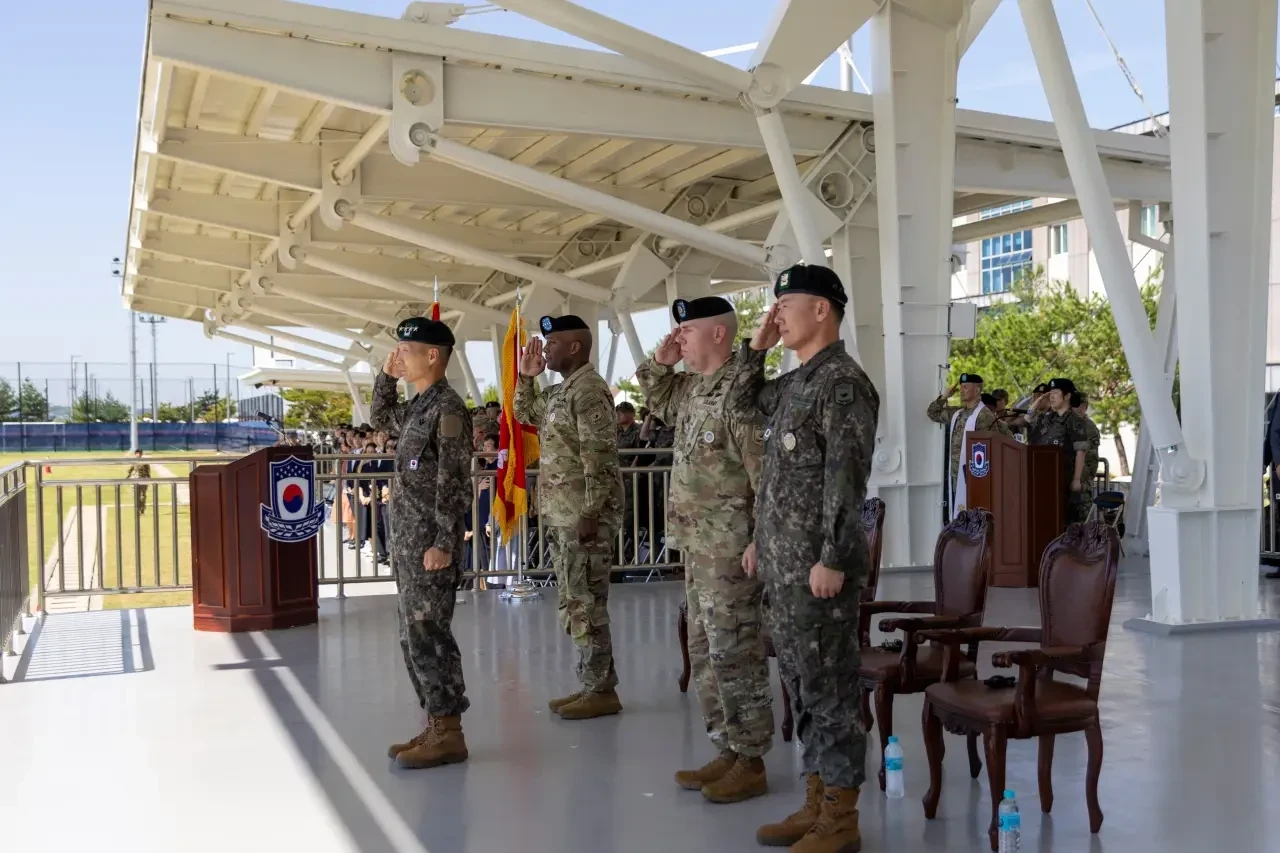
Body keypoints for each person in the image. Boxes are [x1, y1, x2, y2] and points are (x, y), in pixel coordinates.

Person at [729, 264, 879, 852]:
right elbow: (743, 406)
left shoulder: (842, 384)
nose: (777, 314)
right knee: (801, 686)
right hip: (784, 569)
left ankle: (841, 817)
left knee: (830, 691)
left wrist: (834, 557)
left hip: (819, 571)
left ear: (822, 310)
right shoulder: (796, 384)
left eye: (786, 304)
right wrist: (756, 350)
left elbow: (846, 480)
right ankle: (817, 799)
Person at [636, 295, 772, 804]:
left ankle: (751, 757)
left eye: (687, 331)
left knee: (734, 649)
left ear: (718, 334)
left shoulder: (742, 391)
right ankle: (726, 747)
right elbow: (656, 394)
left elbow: (765, 473)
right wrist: (662, 360)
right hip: (697, 546)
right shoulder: (694, 389)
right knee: (704, 650)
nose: (680, 338)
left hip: (730, 548)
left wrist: (760, 538)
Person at [372, 316, 473, 770]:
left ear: (433, 355)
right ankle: (435, 723)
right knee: (412, 637)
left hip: (430, 545)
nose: (400, 357)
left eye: (406, 351)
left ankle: (449, 732)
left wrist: (444, 542)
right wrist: (385, 377)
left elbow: (453, 481)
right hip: (409, 545)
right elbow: (380, 417)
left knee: (430, 636)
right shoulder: (418, 406)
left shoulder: (447, 409)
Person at [514, 314, 624, 720]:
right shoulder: (562, 391)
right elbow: (525, 413)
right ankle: (591, 684)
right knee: (574, 601)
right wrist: (526, 377)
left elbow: (600, 458)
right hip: (564, 514)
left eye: (553, 344)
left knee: (586, 602)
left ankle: (600, 690)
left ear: (575, 347)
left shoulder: (589, 391)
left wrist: (590, 512)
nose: (546, 350)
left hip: (583, 516)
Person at [927, 373, 1006, 519]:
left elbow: (991, 446)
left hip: (974, 475)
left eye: (966, 387)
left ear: (977, 390)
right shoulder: (958, 413)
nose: (962, 390)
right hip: (955, 473)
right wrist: (945, 396)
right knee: (959, 515)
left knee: (973, 514)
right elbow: (933, 413)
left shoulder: (984, 415)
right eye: (961, 387)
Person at [1028, 377, 1091, 524]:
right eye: (1050, 393)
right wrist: (1038, 400)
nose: (1051, 396)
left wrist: (1076, 479)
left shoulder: (1074, 420)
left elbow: (1080, 451)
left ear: (1067, 396)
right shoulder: (1048, 418)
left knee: (1065, 522)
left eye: (1055, 393)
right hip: (1046, 479)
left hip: (1064, 479)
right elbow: (1028, 418)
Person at [1073, 392, 1101, 499]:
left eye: (1076, 404)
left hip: (1082, 483)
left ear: (1084, 406)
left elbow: (1088, 457)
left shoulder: (1088, 427)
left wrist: (1077, 480)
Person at [126, 449, 150, 516]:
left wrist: (128, 476)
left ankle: (138, 510)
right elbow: (148, 472)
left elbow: (129, 470)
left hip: (135, 480)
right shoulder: (145, 462)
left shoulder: (133, 461)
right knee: (142, 495)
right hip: (143, 480)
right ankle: (142, 509)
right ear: (142, 453)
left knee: (137, 496)